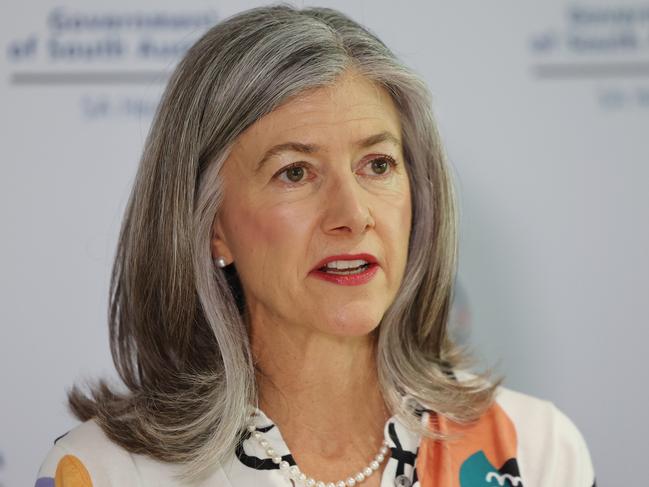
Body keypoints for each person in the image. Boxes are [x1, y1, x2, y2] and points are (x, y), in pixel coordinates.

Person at [35, 5, 595, 487]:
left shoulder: (536, 451)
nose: (353, 215)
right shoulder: (106, 472)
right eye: (295, 172)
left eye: (378, 164)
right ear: (211, 226)